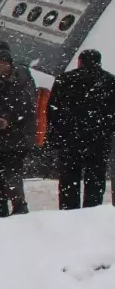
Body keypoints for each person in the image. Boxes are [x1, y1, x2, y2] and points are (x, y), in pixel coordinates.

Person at [47, 49, 115, 209]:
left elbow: (52, 111)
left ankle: (68, 211)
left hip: (70, 140)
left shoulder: (64, 80)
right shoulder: (110, 81)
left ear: (79, 61)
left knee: (69, 180)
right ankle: (92, 211)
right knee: (95, 180)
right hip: (99, 140)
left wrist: (57, 134)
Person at [0, 50, 35, 217]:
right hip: (1, 137)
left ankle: (19, 207)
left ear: (6, 64)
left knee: (11, 173)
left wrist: (8, 119)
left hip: (16, 136)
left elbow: (25, 105)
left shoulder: (21, 80)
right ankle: (1, 208)